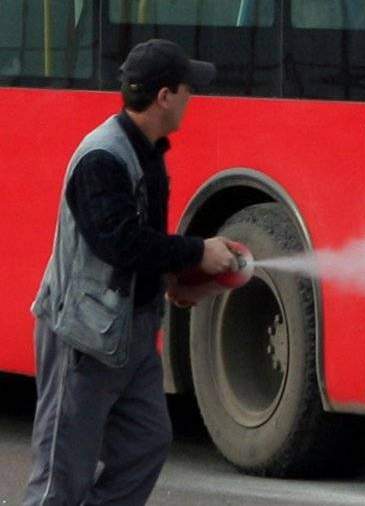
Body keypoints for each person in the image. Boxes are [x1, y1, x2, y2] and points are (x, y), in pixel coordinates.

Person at [23, 39, 236, 505]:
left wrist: (174, 280)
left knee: (146, 444)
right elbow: (118, 242)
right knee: (61, 477)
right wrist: (196, 252)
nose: (192, 98)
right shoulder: (103, 157)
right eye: (187, 89)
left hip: (128, 336)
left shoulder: (147, 151)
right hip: (84, 337)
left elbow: (140, 243)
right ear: (165, 96)